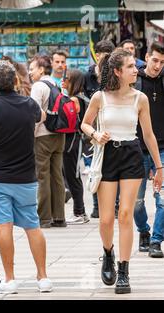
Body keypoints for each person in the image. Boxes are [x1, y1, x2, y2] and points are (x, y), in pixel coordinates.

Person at [81, 48, 163, 294]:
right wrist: (96, 133)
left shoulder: (140, 98)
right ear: (117, 71)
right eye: (130, 67)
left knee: (126, 214)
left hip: (131, 154)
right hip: (107, 155)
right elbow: (84, 123)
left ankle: (124, 271)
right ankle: (108, 252)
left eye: (134, 67)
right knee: (107, 218)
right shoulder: (100, 97)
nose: (135, 70)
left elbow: (148, 135)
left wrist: (159, 167)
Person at [0, 60, 52, 294]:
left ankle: (9, 279)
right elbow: (43, 117)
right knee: (33, 226)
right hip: (27, 177)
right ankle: (43, 277)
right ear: (16, 81)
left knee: (3, 228)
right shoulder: (29, 105)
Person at [133, 41, 164, 257]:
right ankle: (144, 231)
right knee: (137, 201)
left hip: (162, 148)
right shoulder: (134, 82)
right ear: (146, 57)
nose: (158, 66)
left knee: (162, 198)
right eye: (154, 60)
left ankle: (156, 240)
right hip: (136, 148)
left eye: (162, 62)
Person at [29, 54, 66, 228]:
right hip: (59, 135)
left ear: (41, 69)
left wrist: (31, 136)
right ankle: (59, 217)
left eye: (32, 69)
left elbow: (35, 114)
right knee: (57, 176)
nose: (30, 73)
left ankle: (43, 218)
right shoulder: (56, 84)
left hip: (43, 136)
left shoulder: (38, 86)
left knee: (42, 176)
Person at [83, 39, 119, 219]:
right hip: (94, 129)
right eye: (99, 55)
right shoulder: (88, 75)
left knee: (114, 169)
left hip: (114, 129)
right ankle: (98, 206)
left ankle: (117, 205)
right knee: (95, 168)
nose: (102, 59)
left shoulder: (116, 75)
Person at [61, 69, 89, 224]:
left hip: (72, 140)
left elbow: (69, 120)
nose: (63, 81)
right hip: (75, 140)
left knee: (73, 176)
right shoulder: (81, 96)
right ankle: (80, 212)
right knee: (72, 175)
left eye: (66, 79)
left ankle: (80, 212)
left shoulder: (74, 99)